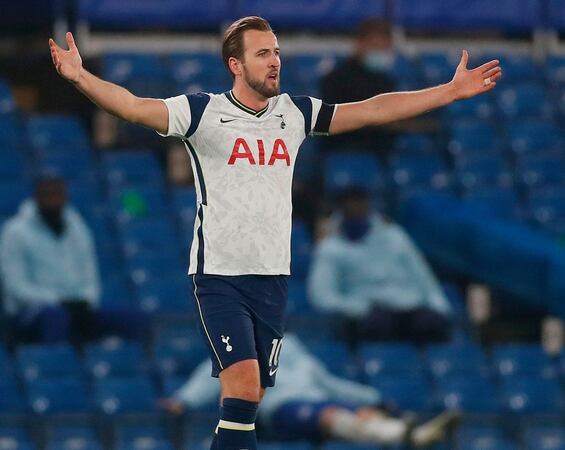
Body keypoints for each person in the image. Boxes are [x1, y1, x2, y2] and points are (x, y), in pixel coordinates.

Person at [48, 16, 500, 450]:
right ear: (236, 65)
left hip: (272, 278)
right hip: (220, 276)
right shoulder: (203, 111)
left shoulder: (294, 114)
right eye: (263, 53)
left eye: (277, 52)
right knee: (242, 386)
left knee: (251, 400)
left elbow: (372, 110)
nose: (274, 61)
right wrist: (80, 77)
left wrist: (448, 92)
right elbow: (132, 107)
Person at [160, 333, 461, 447]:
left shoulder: (291, 345)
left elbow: (327, 382)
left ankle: (409, 435)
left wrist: (375, 398)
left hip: (316, 402)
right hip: (278, 412)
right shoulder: (234, 348)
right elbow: (208, 377)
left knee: (361, 411)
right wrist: (183, 401)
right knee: (330, 413)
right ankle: (400, 434)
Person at [309, 187, 452, 344]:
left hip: (409, 308)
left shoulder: (394, 236)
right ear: (340, 208)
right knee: (377, 325)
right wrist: (357, 308)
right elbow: (322, 296)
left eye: (359, 202)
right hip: (368, 315)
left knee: (432, 324)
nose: (355, 208)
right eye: (349, 204)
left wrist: (438, 305)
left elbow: (422, 275)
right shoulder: (331, 248)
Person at [0, 176, 100, 345]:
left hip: (75, 305)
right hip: (28, 312)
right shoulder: (15, 231)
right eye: (48, 195)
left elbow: (90, 276)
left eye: (58, 195)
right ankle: (59, 367)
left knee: (133, 319)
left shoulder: (77, 227)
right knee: (55, 316)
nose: (53, 200)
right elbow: (16, 288)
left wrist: (86, 299)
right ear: (36, 198)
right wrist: (57, 300)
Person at [320, 18, 397, 152]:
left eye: (384, 48)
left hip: (381, 151)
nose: (380, 53)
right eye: (375, 47)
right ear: (360, 44)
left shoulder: (386, 81)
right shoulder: (337, 79)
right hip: (344, 149)